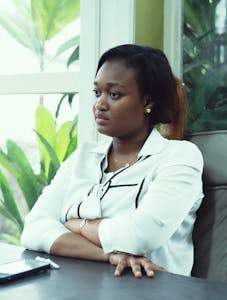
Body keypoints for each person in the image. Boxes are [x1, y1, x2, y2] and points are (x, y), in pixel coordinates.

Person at [21, 44, 203, 278]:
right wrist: (109, 255)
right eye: (97, 93)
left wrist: (76, 225)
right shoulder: (82, 157)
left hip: (153, 290)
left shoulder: (180, 157)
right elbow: (34, 229)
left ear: (147, 101)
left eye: (114, 95)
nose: (100, 104)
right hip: (80, 286)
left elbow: (141, 235)